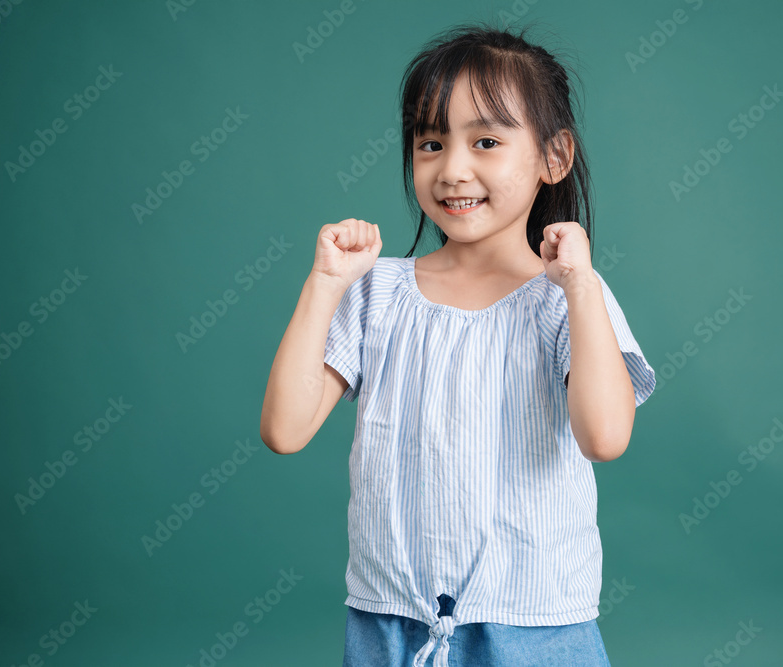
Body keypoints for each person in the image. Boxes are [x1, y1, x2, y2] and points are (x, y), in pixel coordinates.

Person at [260, 21, 656, 667]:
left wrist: (580, 286)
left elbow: (605, 436)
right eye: (431, 142)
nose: (453, 169)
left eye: (488, 140)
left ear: (554, 157)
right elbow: (284, 428)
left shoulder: (567, 295)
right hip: (391, 615)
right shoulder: (377, 291)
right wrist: (325, 283)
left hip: (533, 616)